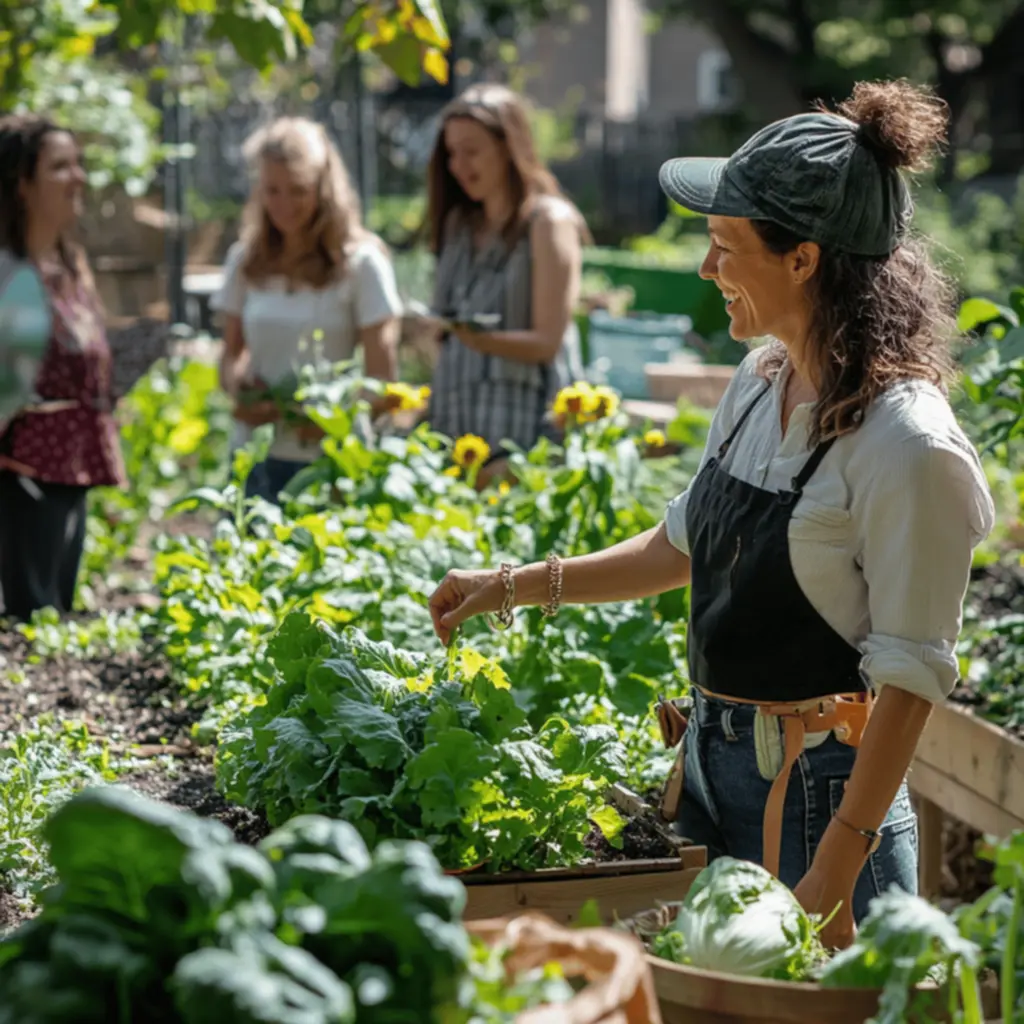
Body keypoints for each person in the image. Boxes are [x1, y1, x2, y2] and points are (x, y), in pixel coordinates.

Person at [427, 80, 996, 949]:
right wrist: (507, 587)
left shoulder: (907, 446)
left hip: (823, 807)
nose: (706, 270)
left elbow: (912, 683)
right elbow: (680, 543)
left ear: (803, 258)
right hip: (712, 771)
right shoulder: (762, 378)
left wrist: (832, 874)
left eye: (725, 247)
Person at [211, 117, 401, 503]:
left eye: (298, 190)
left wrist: (330, 418)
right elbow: (230, 357)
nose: (284, 205)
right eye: (272, 191)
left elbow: (384, 381)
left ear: (324, 187)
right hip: (256, 455)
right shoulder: (245, 261)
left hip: (330, 463)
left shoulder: (361, 263)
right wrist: (241, 390)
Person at [424, 83, 589, 486]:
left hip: (526, 443)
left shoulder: (548, 222)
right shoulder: (459, 226)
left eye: (472, 150)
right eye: (451, 153)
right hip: (457, 436)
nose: (458, 165)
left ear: (509, 147)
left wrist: (478, 338)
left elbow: (548, 341)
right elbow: (441, 332)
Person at [0, 114, 126, 621]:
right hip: (23, 473)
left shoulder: (69, 267)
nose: (78, 177)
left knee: (57, 619)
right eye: (60, 167)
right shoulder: (7, 272)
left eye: (78, 164)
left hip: (71, 470)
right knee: (34, 623)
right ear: (22, 185)